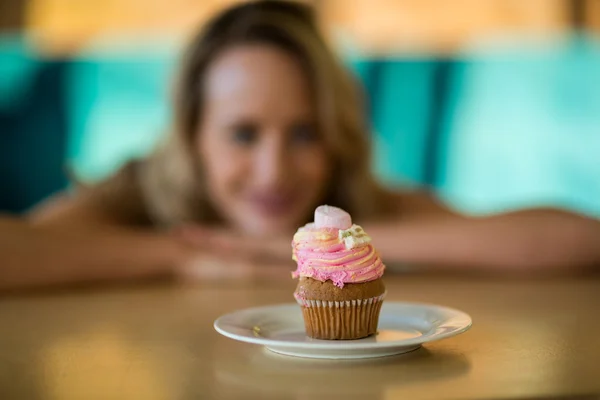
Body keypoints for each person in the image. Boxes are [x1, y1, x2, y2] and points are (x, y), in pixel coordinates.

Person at [1, 0, 599, 290]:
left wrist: (337, 247)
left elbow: (582, 240)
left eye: (305, 132)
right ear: (191, 136)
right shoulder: (136, 194)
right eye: (243, 133)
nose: (273, 172)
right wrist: (178, 256)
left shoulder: (348, 202)